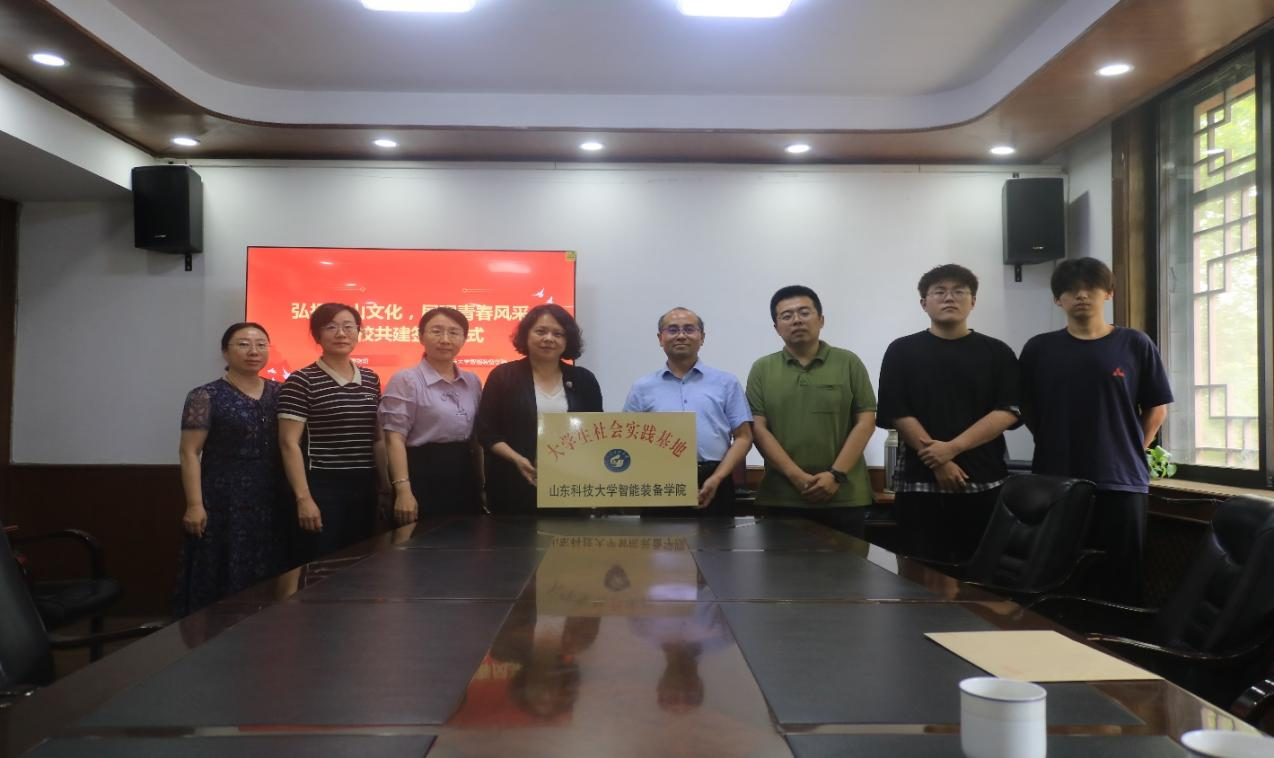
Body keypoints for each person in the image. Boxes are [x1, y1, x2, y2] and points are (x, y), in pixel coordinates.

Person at [1019, 257, 1172, 603]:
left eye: (1090, 288)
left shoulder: (1135, 344)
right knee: (1055, 575)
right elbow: (1025, 407)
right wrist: (1049, 437)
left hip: (1121, 482)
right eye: (1070, 290)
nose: (1081, 295)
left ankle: (1117, 637)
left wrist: (1131, 449)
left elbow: (1157, 408)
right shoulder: (1039, 348)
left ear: (1109, 293)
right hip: (1055, 480)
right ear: (1057, 299)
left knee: (1121, 577)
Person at [876, 264, 1021, 561]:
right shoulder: (901, 351)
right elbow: (897, 411)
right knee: (918, 570)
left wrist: (951, 449)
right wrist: (939, 462)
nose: (949, 297)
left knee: (980, 570)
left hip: (984, 480)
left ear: (973, 301)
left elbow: (1008, 411)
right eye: (939, 291)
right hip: (919, 482)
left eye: (959, 291)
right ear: (924, 303)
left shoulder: (998, 352)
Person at [746, 285, 877, 537]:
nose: (796, 320)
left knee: (847, 564)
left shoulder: (849, 362)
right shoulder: (762, 369)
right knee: (781, 564)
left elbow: (866, 422)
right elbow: (758, 429)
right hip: (782, 496)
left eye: (804, 312)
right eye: (786, 315)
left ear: (821, 319)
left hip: (844, 495)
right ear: (776, 327)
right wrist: (796, 476)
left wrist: (835, 475)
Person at [175, 322, 284, 616]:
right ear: (225, 352)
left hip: (272, 496)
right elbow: (189, 451)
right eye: (243, 344)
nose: (253, 351)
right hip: (224, 498)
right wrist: (194, 505)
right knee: (221, 568)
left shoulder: (280, 392)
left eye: (261, 344)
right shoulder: (206, 395)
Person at [278, 303, 387, 563]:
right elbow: (288, 443)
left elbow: (377, 438)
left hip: (365, 484)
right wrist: (303, 498)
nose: (341, 334)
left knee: (360, 562)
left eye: (349, 327)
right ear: (317, 335)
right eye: (331, 327)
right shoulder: (301, 380)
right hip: (322, 487)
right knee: (321, 562)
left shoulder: (370, 378)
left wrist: (385, 487)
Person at [623, 307, 752, 516]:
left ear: (702, 337)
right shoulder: (642, 387)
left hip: (716, 479)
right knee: (658, 537)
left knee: (718, 538)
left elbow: (744, 437)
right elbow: (627, 440)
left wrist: (717, 477)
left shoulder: (726, 383)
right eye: (673, 330)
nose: (681, 335)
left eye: (689, 329)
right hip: (659, 482)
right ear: (660, 338)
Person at [476, 304, 603, 514]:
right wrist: (517, 459)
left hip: (568, 485)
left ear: (568, 340)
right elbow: (486, 432)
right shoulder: (503, 376)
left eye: (558, 334)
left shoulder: (583, 379)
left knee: (566, 534)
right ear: (526, 335)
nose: (549, 338)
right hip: (512, 482)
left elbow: (596, 430)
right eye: (541, 331)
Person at [380, 307, 484, 522]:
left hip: (464, 472)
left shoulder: (472, 381)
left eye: (454, 332)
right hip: (421, 473)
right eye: (436, 331)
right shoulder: (405, 380)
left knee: (467, 538)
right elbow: (394, 439)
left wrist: (483, 484)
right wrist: (403, 490)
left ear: (464, 338)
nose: (445, 339)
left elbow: (477, 438)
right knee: (421, 539)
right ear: (421, 337)